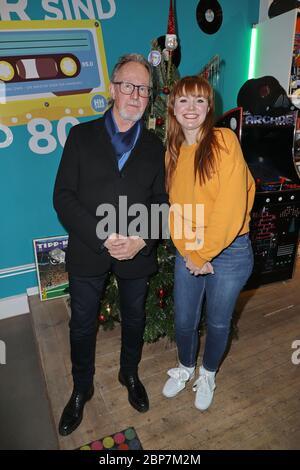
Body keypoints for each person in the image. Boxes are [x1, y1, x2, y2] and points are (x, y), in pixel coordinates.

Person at [53, 53, 167, 436]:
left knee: (135, 319)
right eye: (129, 86)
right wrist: (104, 236)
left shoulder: (155, 146)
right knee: (82, 325)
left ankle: (129, 374)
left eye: (144, 89)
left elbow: (161, 203)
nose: (136, 95)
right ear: (113, 89)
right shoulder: (81, 136)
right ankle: (81, 388)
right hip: (89, 247)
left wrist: (140, 239)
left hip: (136, 250)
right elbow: (64, 197)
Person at [163, 75, 255, 411]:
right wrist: (190, 252)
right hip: (191, 250)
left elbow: (230, 207)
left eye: (199, 100)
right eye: (184, 100)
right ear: (173, 107)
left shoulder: (224, 141)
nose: (192, 108)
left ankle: (208, 373)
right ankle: (186, 367)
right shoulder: (174, 152)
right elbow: (176, 211)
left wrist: (202, 253)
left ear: (208, 107)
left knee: (217, 321)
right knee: (185, 320)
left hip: (230, 251)